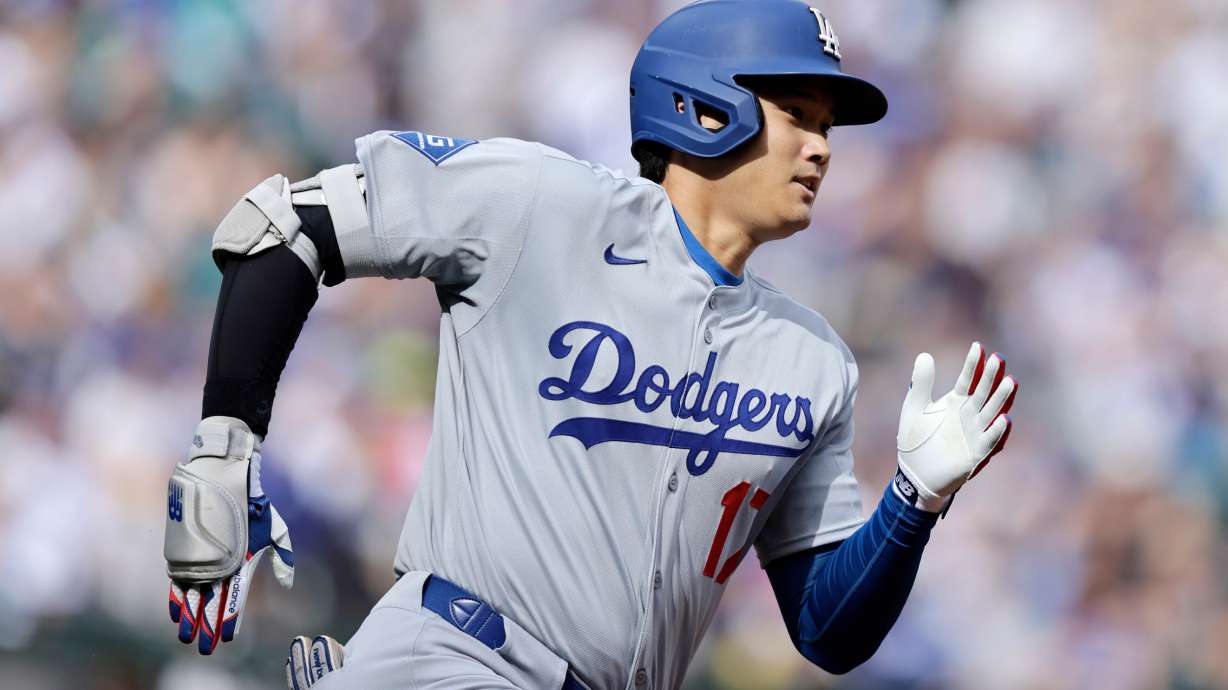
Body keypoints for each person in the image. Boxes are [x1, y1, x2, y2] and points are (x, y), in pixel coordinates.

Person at [162, 2, 1018, 688]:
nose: (822, 145)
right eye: (797, 112)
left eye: (828, 121)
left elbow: (828, 635)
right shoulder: (545, 205)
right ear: (701, 102)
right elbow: (286, 227)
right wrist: (223, 444)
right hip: (465, 652)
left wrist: (912, 501)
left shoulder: (813, 360)